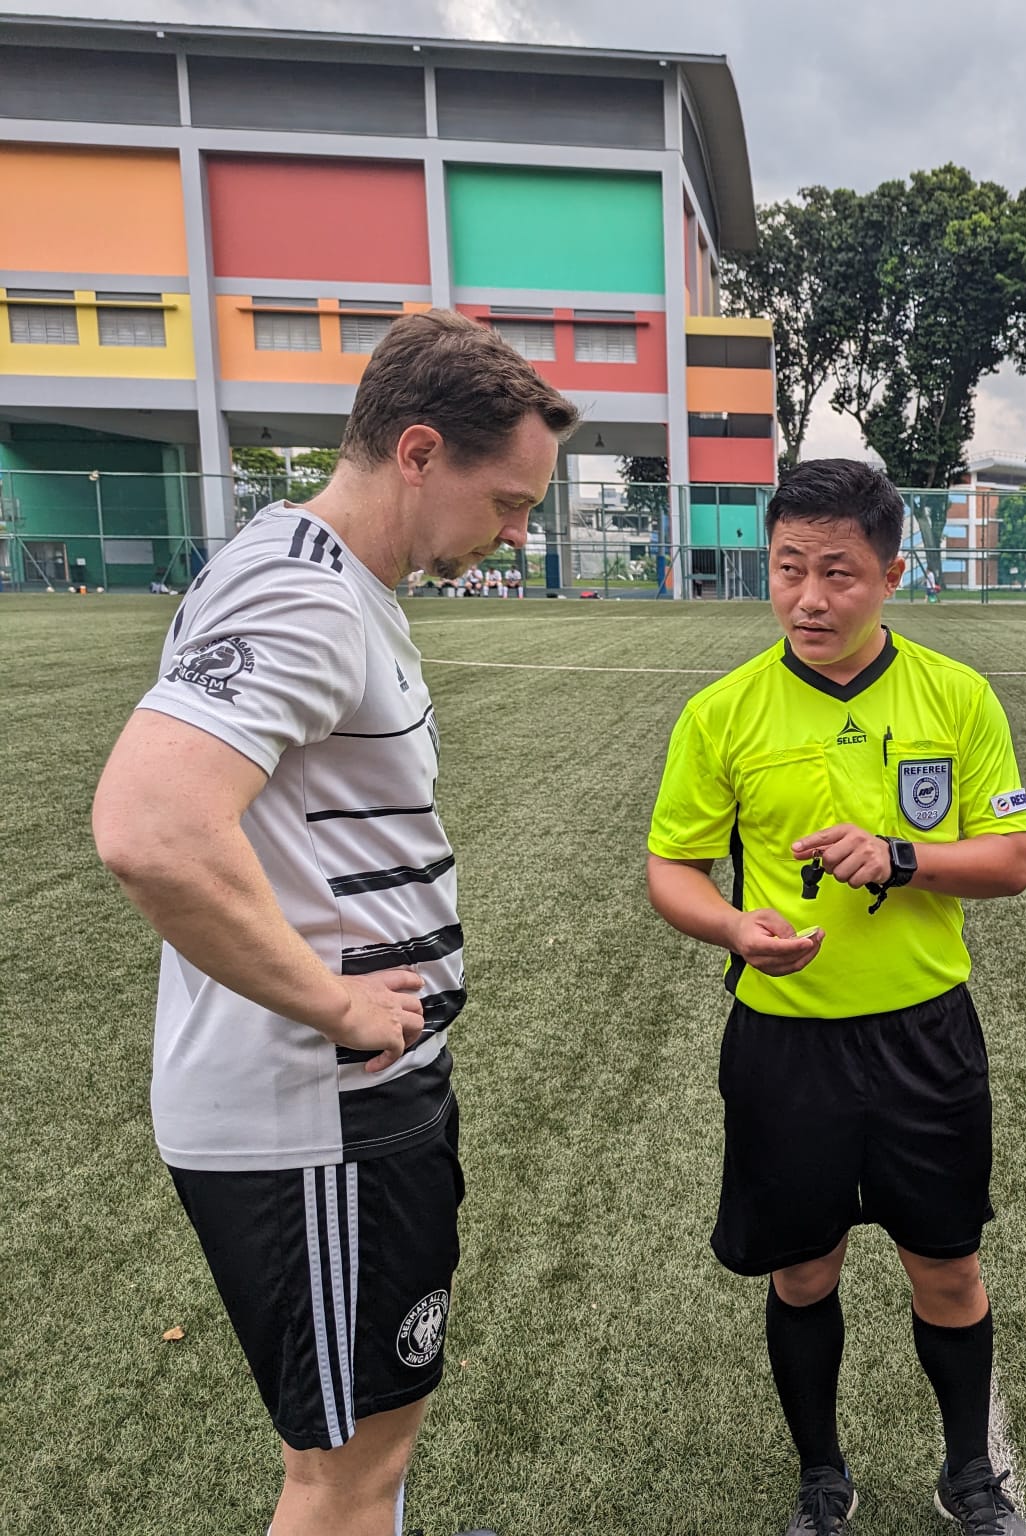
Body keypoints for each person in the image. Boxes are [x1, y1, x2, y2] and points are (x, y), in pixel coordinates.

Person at [92, 310, 578, 1536]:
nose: (517, 534)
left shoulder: (315, 570)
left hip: (358, 1107)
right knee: (344, 1473)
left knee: (374, 1446)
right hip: (314, 1112)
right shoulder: (304, 597)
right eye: (509, 502)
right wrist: (337, 1002)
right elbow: (150, 826)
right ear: (418, 453)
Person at [646, 459, 1026, 1536]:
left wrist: (902, 856)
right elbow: (670, 869)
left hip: (925, 1038)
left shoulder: (955, 696)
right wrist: (732, 926)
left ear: (893, 574)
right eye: (787, 570)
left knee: (946, 1269)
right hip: (786, 1045)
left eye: (839, 573)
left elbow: (1011, 861)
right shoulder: (723, 713)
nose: (810, 598)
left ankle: (970, 1475)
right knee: (803, 1271)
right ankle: (822, 1477)